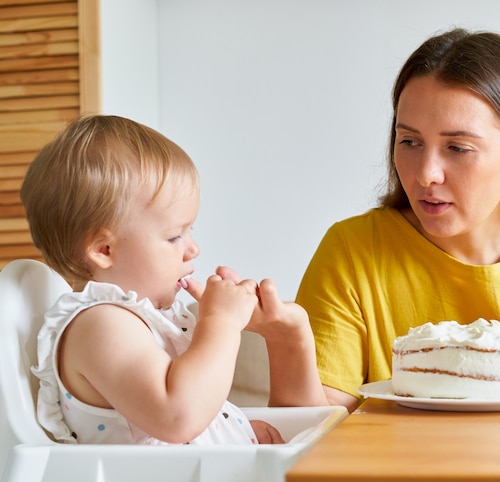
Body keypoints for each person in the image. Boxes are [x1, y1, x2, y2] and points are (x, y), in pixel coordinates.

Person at [295, 28, 500, 413]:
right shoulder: (351, 251)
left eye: (458, 148)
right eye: (410, 142)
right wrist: (290, 342)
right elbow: (317, 426)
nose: (426, 174)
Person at [21, 115, 327, 445]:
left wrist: (234, 430)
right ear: (104, 250)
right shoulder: (99, 325)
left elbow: (186, 418)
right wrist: (220, 322)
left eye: (189, 231)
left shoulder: (142, 321)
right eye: (174, 237)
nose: (193, 249)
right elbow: (178, 417)